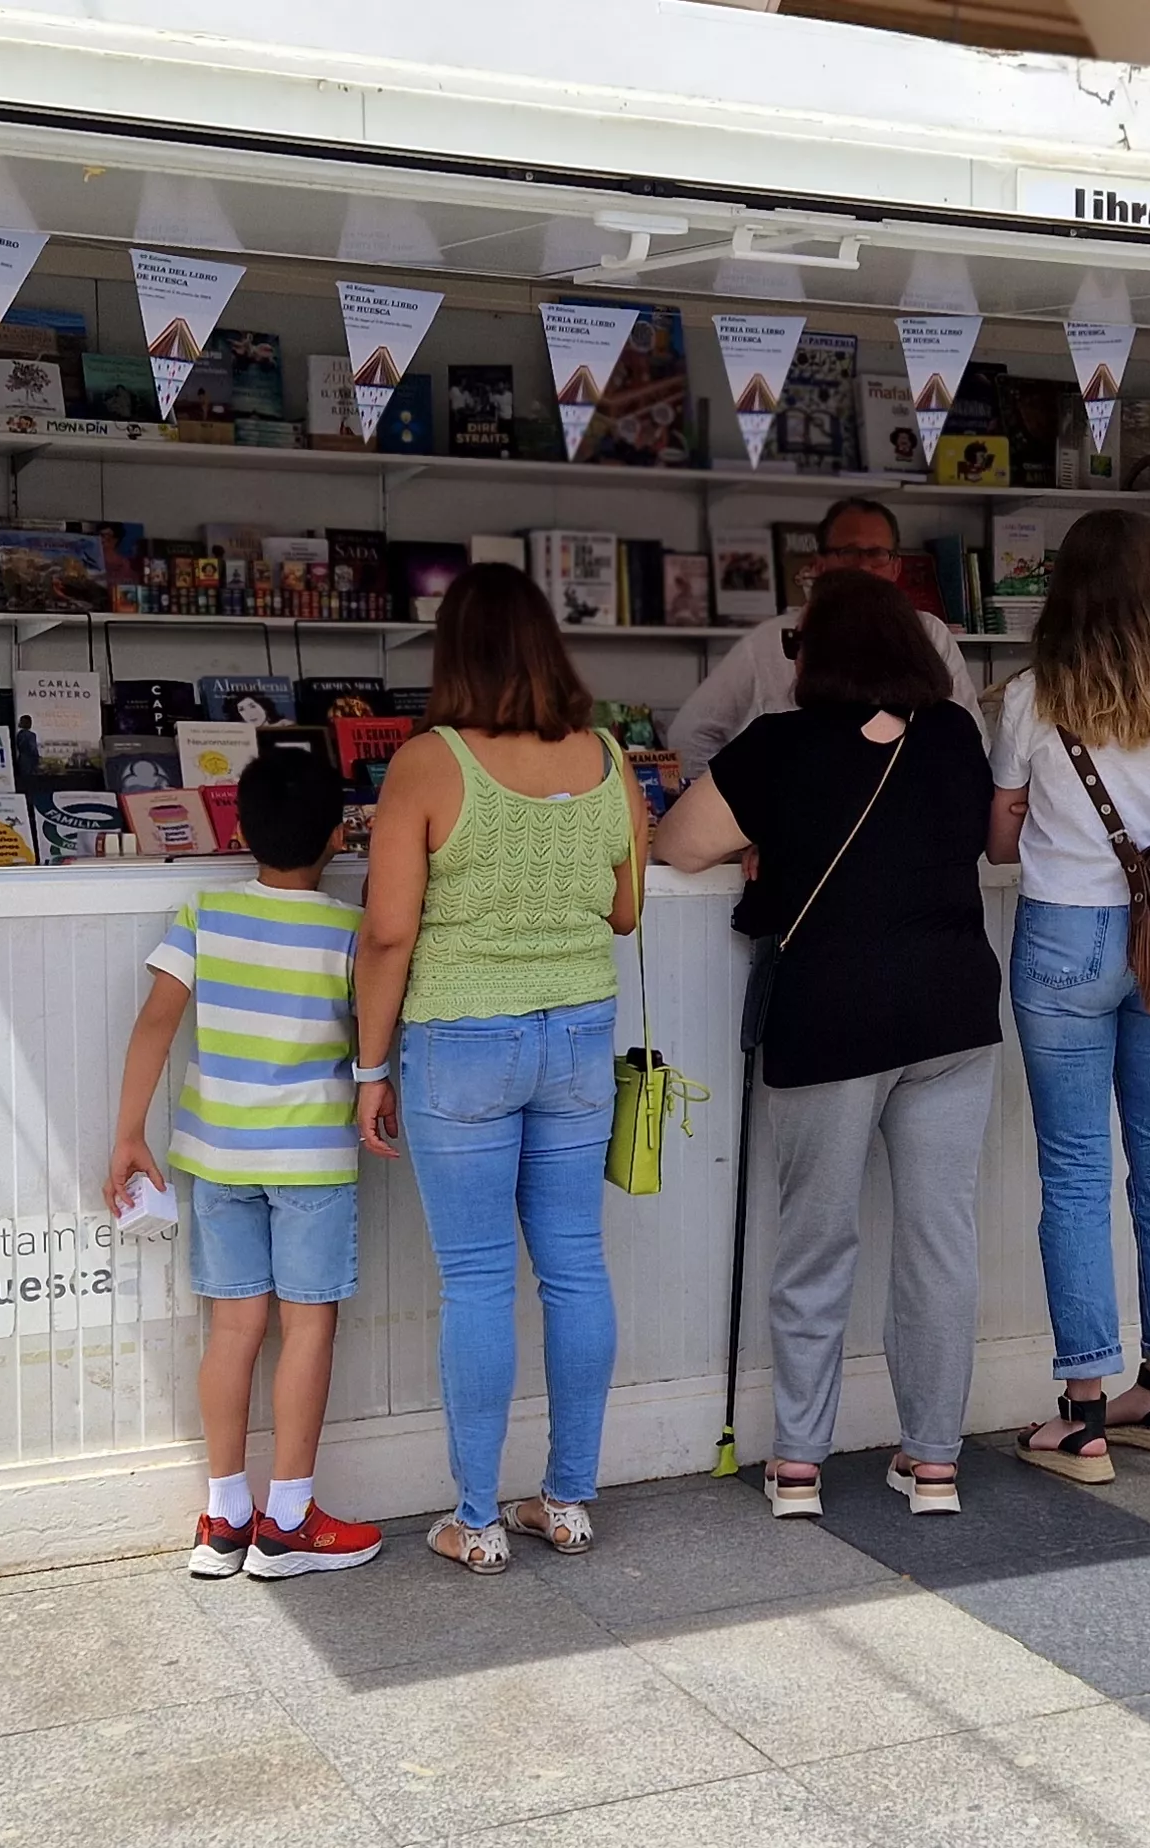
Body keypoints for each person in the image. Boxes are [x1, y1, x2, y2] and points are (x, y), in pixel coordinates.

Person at [658, 571, 1000, 1518]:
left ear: (817, 656)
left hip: (833, 1017)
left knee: (816, 1242)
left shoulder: (778, 747)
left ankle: (800, 1464)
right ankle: (934, 1462)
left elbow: (677, 844)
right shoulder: (954, 737)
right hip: (953, 1016)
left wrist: (762, 843)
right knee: (940, 1245)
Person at [354, 563, 647, 1574]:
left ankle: (475, 1519)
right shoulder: (608, 756)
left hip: (461, 1038)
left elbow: (389, 931)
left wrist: (367, 1067)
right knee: (573, 1267)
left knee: (476, 1279)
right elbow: (625, 910)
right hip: (577, 1035)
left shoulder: (429, 763)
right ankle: (565, 1501)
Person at [985, 511, 1150, 1485]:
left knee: (1077, 1174)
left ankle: (1083, 1416)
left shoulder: (1032, 698)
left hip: (1066, 938)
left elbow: (1001, 845)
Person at [107, 749, 384, 1582]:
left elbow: (156, 1024)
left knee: (232, 1331)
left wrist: (127, 1134)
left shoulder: (205, 916)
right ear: (340, 837)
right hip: (313, 1162)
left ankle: (224, 1517)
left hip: (218, 1158)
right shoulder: (349, 935)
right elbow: (376, 1038)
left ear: (236, 829)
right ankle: (290, 1519)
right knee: (307, 1330)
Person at [668, 498, 979, 776]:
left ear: (896, 567)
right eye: (849, 552)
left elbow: (971, 740)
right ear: (819, 564)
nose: (863, 566)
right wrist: (730, 816)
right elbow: (691, 734)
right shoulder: (769, 640)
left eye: (877, 554)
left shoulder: (931, 635)